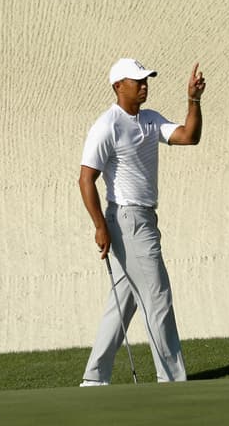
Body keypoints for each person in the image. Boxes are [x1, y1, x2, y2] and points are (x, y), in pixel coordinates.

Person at [78, 58, 205, 385]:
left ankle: (94, 379)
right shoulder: (107, 125)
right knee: (158, 296)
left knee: (124, 300)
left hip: (143, 219)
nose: (144, 85)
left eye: (146, 79)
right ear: (119, 86)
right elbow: (86, 179)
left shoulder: (149, 120)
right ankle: (172, 381)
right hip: (127, 219)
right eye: (137, 81)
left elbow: (189, 136)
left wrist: (193, 100)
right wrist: (100, 226)